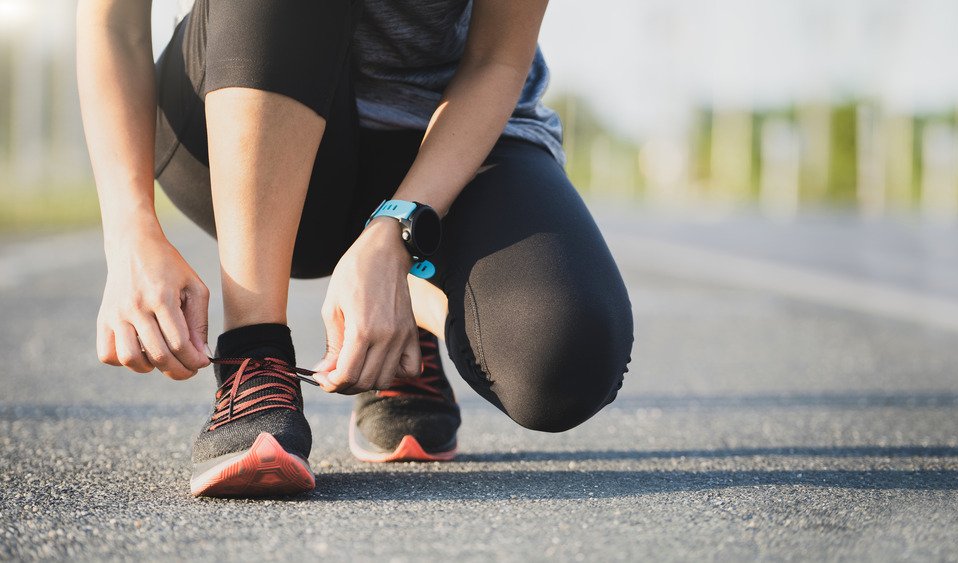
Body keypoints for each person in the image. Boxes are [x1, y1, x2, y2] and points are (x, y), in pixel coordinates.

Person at [77, 0, 633, 498]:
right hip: (241, 107)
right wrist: (130, 231)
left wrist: (397, 232)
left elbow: (497, 61)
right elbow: (113, 22)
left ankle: (399, 307)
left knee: (564, 358)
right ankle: (255, 358)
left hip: (444, 141)